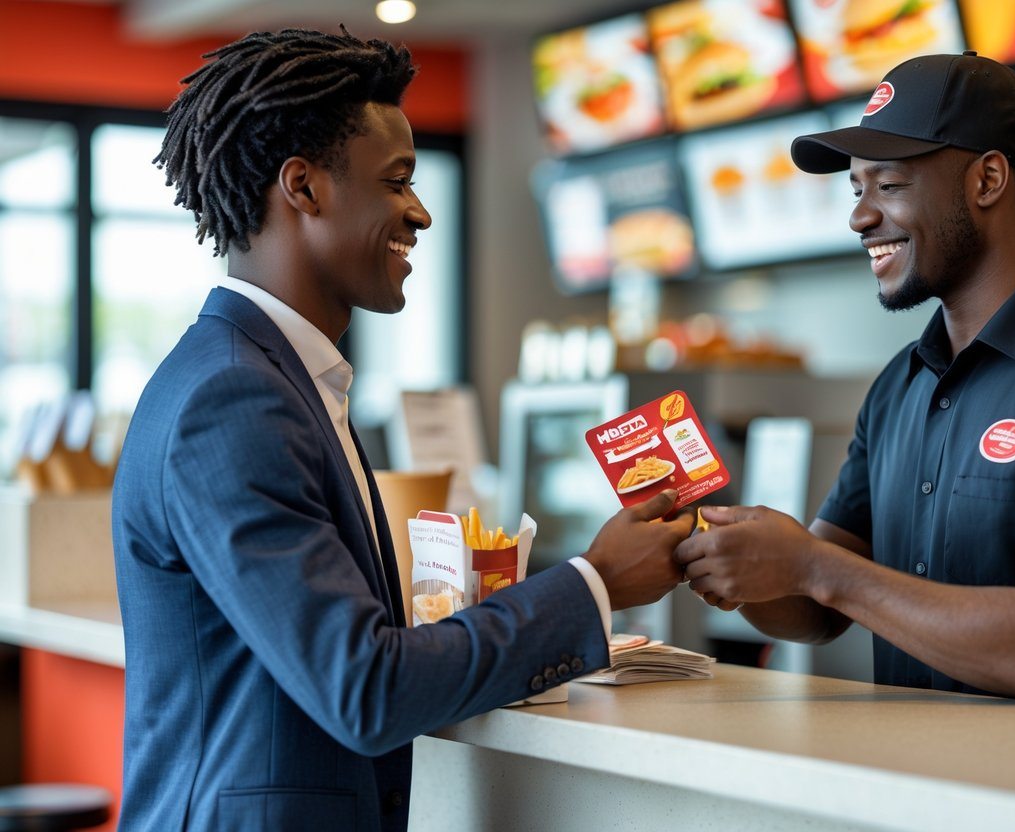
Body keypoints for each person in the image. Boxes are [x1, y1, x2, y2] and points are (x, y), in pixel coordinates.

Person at [111, 28, 691, 831]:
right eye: (396, 181)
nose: (419, 213)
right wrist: (594, 583)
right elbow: (364, 689)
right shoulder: (238, 398)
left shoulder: (273, 377)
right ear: (303, 188)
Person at [675, 51, 1015, 715]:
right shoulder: (899, 386)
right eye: (856, 189)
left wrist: (813, 566)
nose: (859, 218)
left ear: (985, 181)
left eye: (888, 186)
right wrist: (717, 549)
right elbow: (814, 610)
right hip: (914, 794)